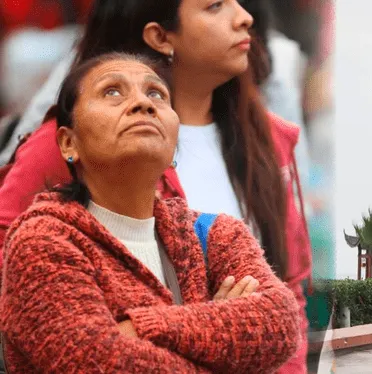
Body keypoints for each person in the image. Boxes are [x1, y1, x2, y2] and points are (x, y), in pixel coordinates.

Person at [0, 1, 311, 371]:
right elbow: (94, 359)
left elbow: (282, 316)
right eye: (214, 6)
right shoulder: (45, 236)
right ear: (159, 36)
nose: (245, 17)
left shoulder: (222, 228)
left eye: (157, 95)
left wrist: (143, 324)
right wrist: (224, 341)